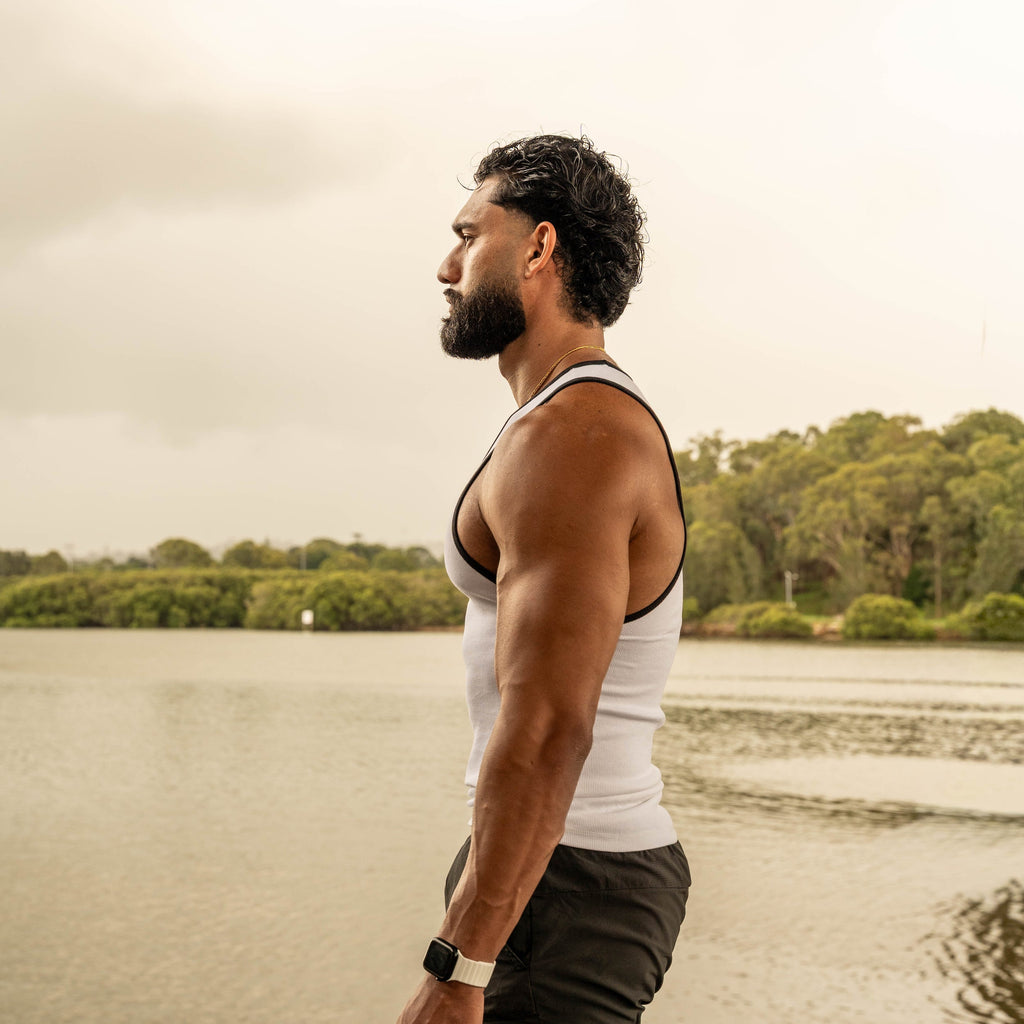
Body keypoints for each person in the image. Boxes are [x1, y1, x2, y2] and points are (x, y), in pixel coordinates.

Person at [396, 134, 689, 1024]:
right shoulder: (558, 420)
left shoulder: (575, 433)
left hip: (572, 878)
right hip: (545, 868)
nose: (447, 266)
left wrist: (458, 969)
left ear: (538, 247)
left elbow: (552, 725)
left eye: (468, 234)